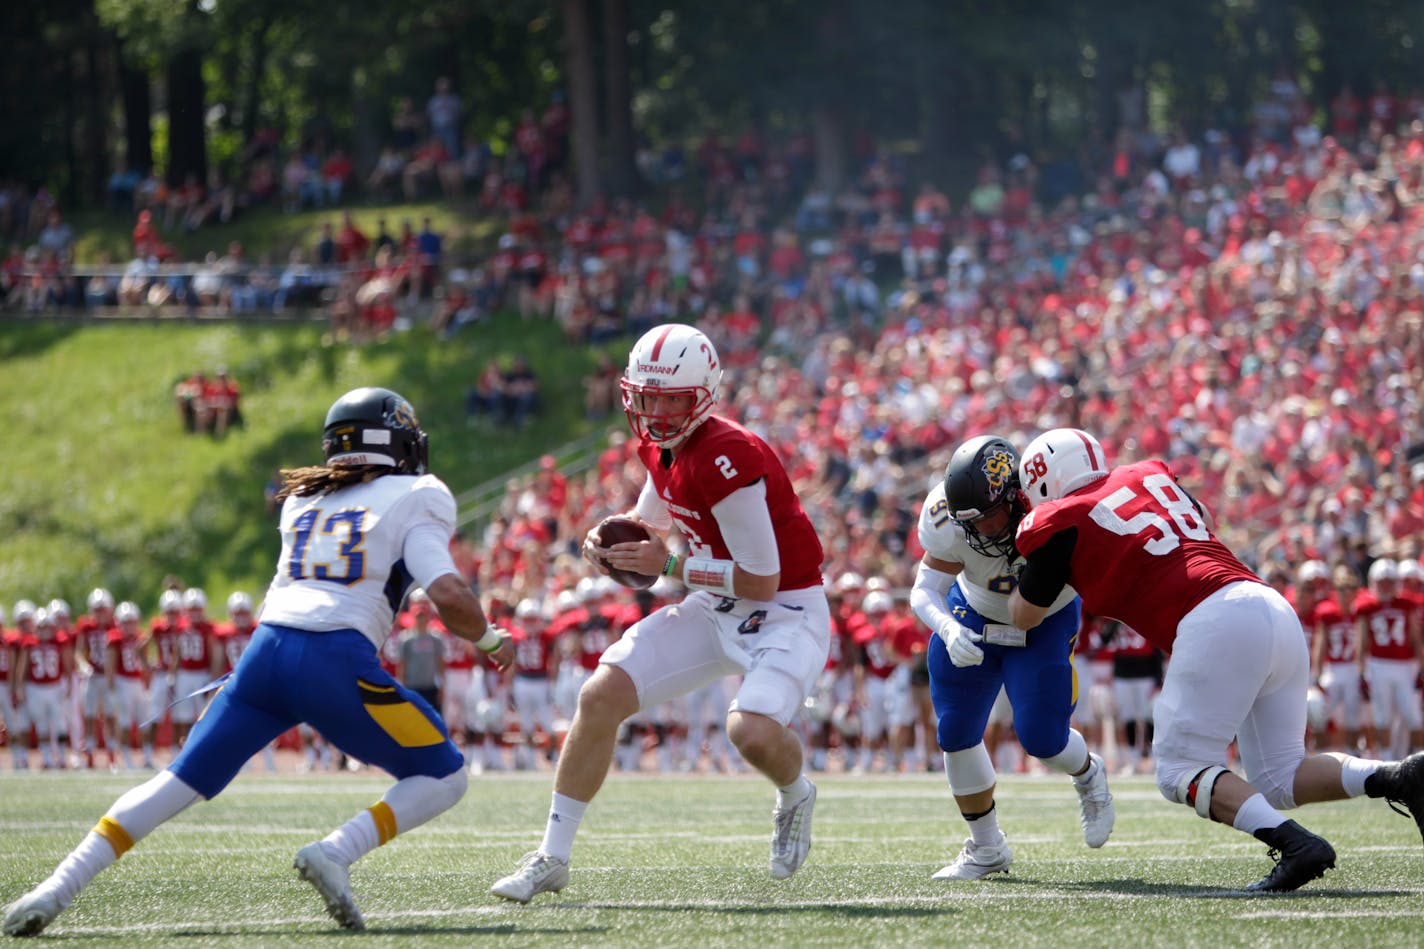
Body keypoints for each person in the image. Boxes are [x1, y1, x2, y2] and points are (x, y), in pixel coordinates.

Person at [2, 386, 515, 937]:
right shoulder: (419, 494)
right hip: (334, 660)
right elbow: (450, 595)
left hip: (265, 654)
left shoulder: (302, 499)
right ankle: (336, 851)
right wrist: (489, 641)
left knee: (176, 781)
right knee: (447, 775)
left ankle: (55, 888)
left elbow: (288, 591)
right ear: (394, 442)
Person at [491, 324, 831, 902]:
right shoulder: (658, 443)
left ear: (702, 395)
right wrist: (611, 540)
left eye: (671, 399)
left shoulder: (727, 456)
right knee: (600, 695)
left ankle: (795, 791)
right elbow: (654, 523)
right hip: (714, 603)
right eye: (646, 396)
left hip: (785, 611)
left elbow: (761, 577)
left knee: (747, 730)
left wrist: (669, 566)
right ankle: (552, 856)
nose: (656, 411)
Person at [1008, 427, 1424, 893]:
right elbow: (1203, 517)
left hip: (1215, 618)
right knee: (1278, 777)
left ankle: (1296, 846)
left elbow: (1023, 614)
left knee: (1177, 768)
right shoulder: (1147, 475)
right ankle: (1400, 776)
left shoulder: (1062, 519)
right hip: (1267, 603)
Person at [910, 435, 1114, 881]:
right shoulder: (948, 518)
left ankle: (1087, 773)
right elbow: (924, 590)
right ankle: (986, 848)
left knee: (1042, 738)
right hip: (972, 610)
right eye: (971, 522)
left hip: (1046, 616)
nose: (981, 530)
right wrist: (947, 626)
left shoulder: (1050, 504)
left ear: (1015, 496)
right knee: (955, 730)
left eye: (990, 516)